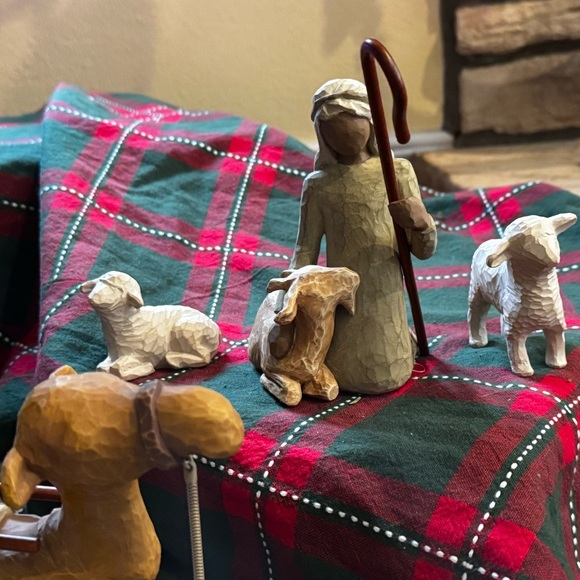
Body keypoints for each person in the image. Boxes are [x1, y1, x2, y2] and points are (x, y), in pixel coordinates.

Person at [290, 78, 437, 394]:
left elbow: (423, 250)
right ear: (321, 133)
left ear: (370, 122)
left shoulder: (397, 172)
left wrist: (421, 224)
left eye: (352, 123)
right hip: (343, 299)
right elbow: (305, 251)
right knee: (347, 355)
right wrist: (290, 292)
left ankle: (398, 351)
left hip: (387, 294)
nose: (343, 134)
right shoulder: (318, 185)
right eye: (331, 128)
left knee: (388, 350)